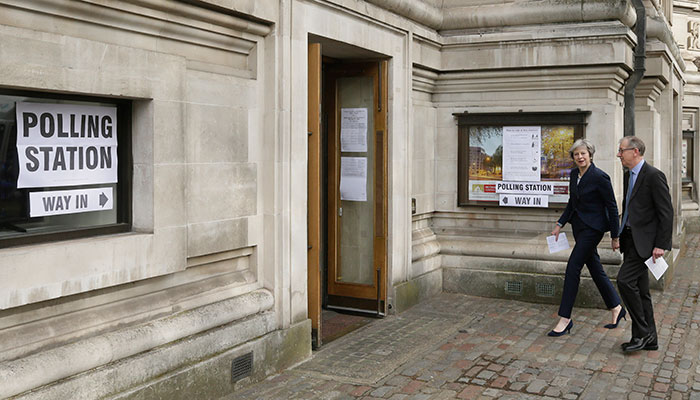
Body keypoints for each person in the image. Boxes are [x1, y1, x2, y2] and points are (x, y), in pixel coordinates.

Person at [548, 139, 626, 336]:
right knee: (595, 268)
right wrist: (559, 224)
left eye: (583, 153)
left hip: (594, 229)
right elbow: (571, 203)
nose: (580, 157)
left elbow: (612, 207)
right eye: (576, 154)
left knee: (573, 266)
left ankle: (565, 318)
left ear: (590, 155)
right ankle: (616, 307)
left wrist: (615, 236)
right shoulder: (574, 174)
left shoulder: (600, 177)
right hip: (579, 228)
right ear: (573, 158)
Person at [615, 136, 673, 352]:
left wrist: (661, 244)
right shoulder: (629, 175)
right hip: (630, 240)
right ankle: (651, 340)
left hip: (646, 243)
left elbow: (666, 213)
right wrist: (619, 235)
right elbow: (629, 209)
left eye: (622, 150)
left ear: (635, 151)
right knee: (641, 290)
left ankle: (642, 333)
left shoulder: (654, 175)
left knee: (624, 281)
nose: (619, 154)